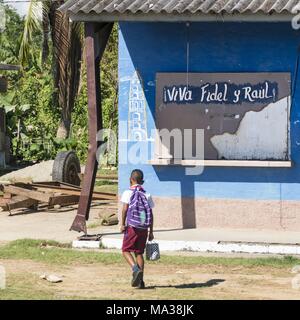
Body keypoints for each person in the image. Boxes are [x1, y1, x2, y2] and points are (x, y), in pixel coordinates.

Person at [120, 169, 154, 289]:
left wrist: (122, 224)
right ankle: (141, 282)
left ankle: (135, 269)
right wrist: (151, 232)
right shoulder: (147, 194)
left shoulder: (127, 193)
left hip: (132, 228)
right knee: (139, 253)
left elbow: (124, 209)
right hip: (143, 229)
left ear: (131, 179)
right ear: (142, 181)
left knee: (125, 250)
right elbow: (150, 214)